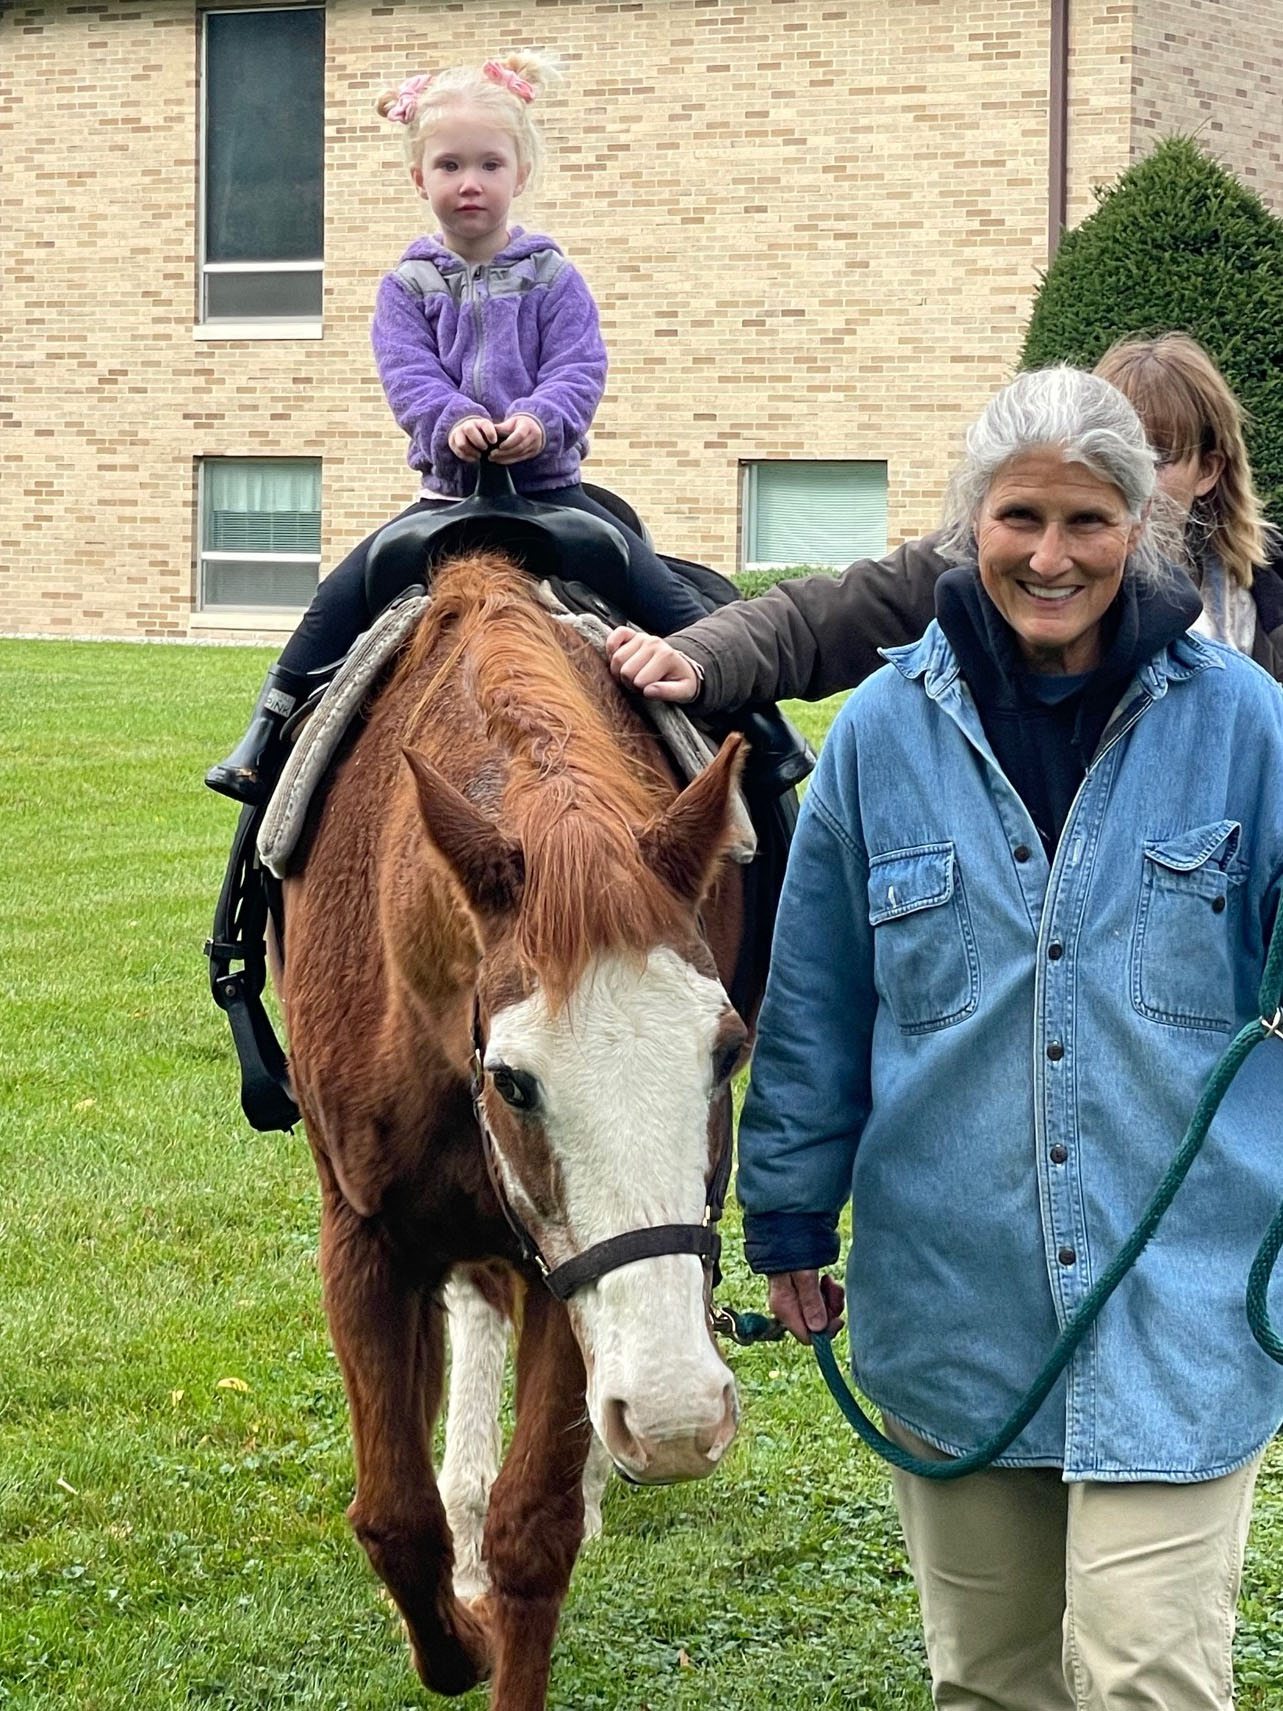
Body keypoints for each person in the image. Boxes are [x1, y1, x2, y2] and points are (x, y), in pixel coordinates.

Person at [734, 366, 1283, 1710]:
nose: (1050, 556)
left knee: (1145, 1674)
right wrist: (789, 1212)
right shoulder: (874, 736)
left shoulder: (1244, 724)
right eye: (1019, 517)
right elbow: (813, 999)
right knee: (986, 1683)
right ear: (967, 520)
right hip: (952, 1294)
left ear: (1141, 525)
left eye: (1087, 521)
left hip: (1180, 1295)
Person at [205, 53, 808, 803]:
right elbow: (407, 375)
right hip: (446, 502)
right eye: (449, 164)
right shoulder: (405, 287)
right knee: (340, 595)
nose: (469, 182)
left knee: (655, 585)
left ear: (519, 172)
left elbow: (579, 365)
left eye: (488, 163)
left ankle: (759, 719)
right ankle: (267, 731)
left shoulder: (553, 276)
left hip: (553, 495)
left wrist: (539, 421)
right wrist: (451, 421)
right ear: (417, 178)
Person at [605, 332, 1283, 709]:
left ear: (1210, 469)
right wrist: (697, 657)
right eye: (1112, 444)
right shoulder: (981, 563)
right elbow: (818, 620)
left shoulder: (1263, 605)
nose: (1049, 557)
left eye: (1156, 454)